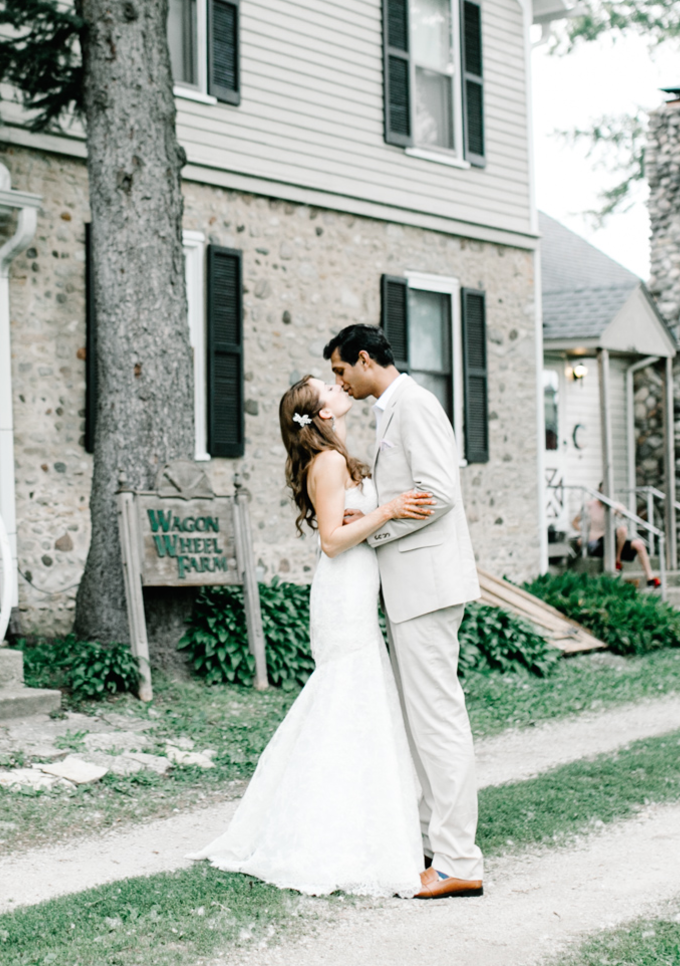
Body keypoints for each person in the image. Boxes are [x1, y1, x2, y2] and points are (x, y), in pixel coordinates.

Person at [194, 375, 436, 896]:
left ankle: (363, 824)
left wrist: (372, 514)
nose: (336, 384)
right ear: (321, 412)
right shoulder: (327, 463)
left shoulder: (337, 455)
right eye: (325, 385)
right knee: (347, 699)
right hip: (343, 592)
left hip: (356, 587)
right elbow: (331, 542)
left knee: (357, 704)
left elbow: (348, 525)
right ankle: (330, 834)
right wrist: (386, 510)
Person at [329, 323, 486, 900]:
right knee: (423, 722)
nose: (338, 384)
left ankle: (459, 860)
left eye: (342, 371)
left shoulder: (416, 405)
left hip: (427, 587)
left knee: (438, 721)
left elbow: (439, 492)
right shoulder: (390, 410)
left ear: (365, 359)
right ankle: (430, 843)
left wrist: (372, 532)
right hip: (412, 588)